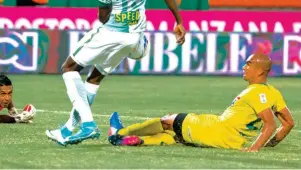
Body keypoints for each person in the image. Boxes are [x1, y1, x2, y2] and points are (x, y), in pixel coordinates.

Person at [46, 0, 186, 146]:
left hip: (112, 32)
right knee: (94, 78)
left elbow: (103, 16)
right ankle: (67, 129)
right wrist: (178, 21)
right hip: (133, 36)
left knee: (69, 67)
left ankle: (88, 125)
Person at [108, 53, 295, 152]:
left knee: (170, 120)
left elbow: (270, 125)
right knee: (175, 136)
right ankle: (137, 140)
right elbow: (288, 123)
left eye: (248, 64)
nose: (244, 67)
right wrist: (271, 145)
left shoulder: (255, 92)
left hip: (216, 131)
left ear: (260, 71)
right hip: (233, 140)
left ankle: (120, 132)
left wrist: (255, 149)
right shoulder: (273, 93)